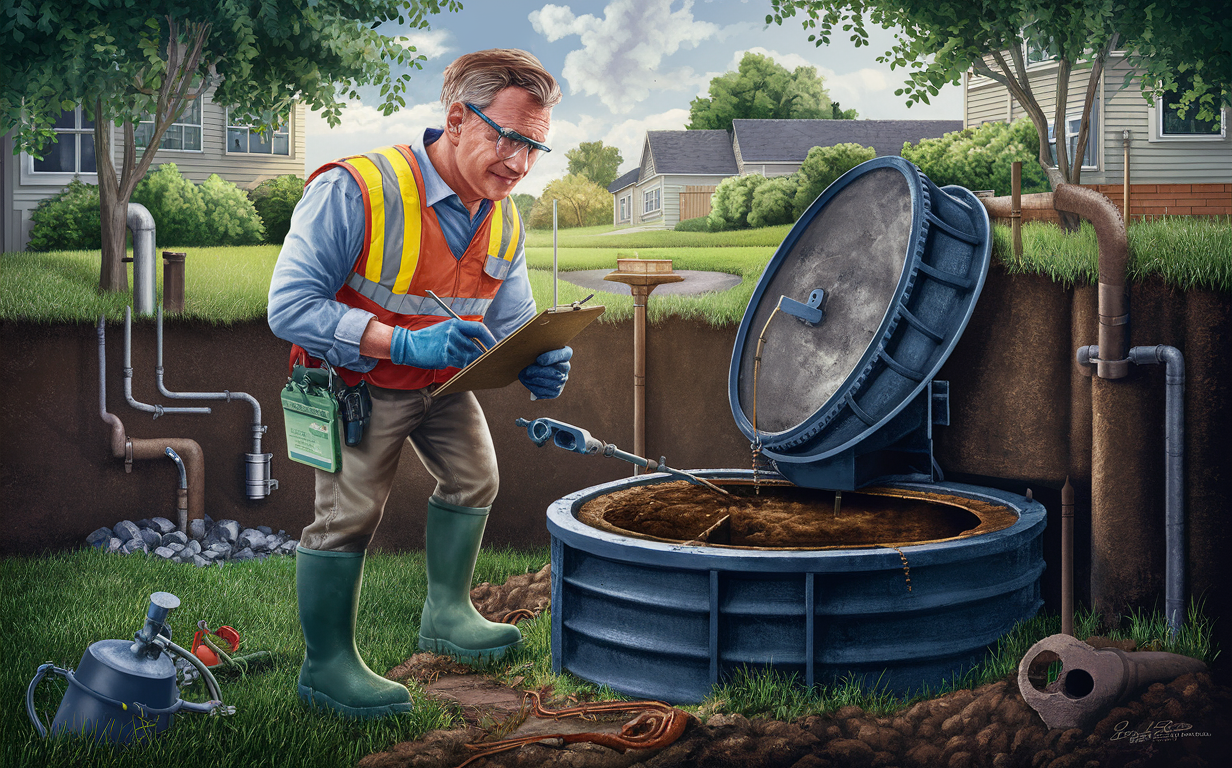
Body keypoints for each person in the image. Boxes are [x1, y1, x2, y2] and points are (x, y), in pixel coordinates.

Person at [267, 49, 570, 719]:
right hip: (353, 381)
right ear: (458, 119)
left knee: (475, 478)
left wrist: (535, 357)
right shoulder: (357, 189)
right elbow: (289, 306)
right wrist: (399, 340)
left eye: (534, 149)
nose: (519, 164)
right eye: (509, 138)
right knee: (347, 517)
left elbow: (511, 320)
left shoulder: (504, 213)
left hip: (440, 383)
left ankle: (448, 614)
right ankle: (326, 669)